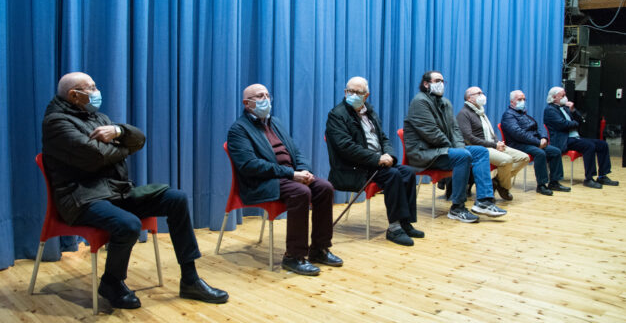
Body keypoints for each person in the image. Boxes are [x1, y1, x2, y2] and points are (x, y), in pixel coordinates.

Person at [42, 72, 228, 310]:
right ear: (74, 95)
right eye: (90, 88)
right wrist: (125, 149)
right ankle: (112, 282)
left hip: (116, 192)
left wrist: (118, 132)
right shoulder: (56, 123)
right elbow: (94, 157)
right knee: (128, 224)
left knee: (176, 198)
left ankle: (190, 279)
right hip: (82, 198)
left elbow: (139, 139)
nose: (96, 91)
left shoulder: (97, 117)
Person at [227, 84, 342, 276]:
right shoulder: (239, 130)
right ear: (247, 104)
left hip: (289, 176)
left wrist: (304, 170)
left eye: (267, 95)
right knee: (301, 192)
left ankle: (319, 250)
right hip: (263, 182)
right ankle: (293, 257)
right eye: (259, 96)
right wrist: (291, 175)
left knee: (324, 187)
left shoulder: (275, 122)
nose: (265, 99)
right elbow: (250, 165)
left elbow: (295, 151)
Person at [326, 77, 423, 246]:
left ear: (366, 95)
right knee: (392, 175)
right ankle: (394, 229)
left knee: (407, 172)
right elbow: (346, 148)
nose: (353, 95)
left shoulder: (370, 112)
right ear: (345, 92)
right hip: (353, 168)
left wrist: (390, 156)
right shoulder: (337, 115)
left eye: (358, 92)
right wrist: (377, 158)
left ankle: (404, 223)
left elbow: (383, 138)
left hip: (375, 163)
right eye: (350, 91)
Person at [403, 71, 507, 223]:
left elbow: (455, 130)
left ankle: (484, 201)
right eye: (437, 80)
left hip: (443, 150)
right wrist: (458, 150)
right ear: (426, 84)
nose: (441, 84)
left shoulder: (445, 103)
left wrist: (459, 147)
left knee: (480, 151)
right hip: (425, 153)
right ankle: (457, 208)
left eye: (443, 81)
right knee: (463, 156)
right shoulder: (419, 101)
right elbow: (431, 133)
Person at [456, 86, 530, 200]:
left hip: (493, 145)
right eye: (479, 93)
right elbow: (469, 138)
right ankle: (504, 187)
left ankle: (497, 181)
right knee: (507, 160)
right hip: (480, 148)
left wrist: (497, 142)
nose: (482, 95)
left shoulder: (480, 112)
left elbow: (490, 133)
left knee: (524, 158)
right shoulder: (464, 114)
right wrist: (494, 145)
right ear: (470, 98)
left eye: (482, 93)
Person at [543, 86, 619, 188]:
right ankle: (589, 178)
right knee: (589, 146)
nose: (565, 97)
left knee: (602, 144)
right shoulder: (550, 110)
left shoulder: (565, 107)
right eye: (563, 96)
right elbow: (563, 125)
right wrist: (574, 123)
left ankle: (602, 176)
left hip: (575, 138)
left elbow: (581, 119)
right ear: (554, 97)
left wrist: (573, 110)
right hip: (564, 140)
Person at [500, 90, 570, 196]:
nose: (522, 101)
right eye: (519, 99)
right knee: (540, 153)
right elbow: (518, 134)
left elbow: (537, 128)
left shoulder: (523, 113)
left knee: (555, 151)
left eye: (524, 99)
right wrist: (538, 142)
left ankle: (554, 182)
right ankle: (541, 185)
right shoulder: (508, 115)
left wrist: (544, 138)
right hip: (518, 144)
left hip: (532, 143)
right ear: (512, 102)